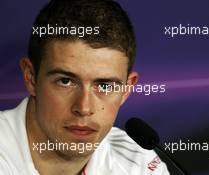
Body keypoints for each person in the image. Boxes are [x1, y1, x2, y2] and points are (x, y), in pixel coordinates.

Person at [0, 0, 170, 174]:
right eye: (65, 81)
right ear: (31, 77)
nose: (84, 108)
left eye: (104, 86)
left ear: (127, 89)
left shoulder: (139, 164)